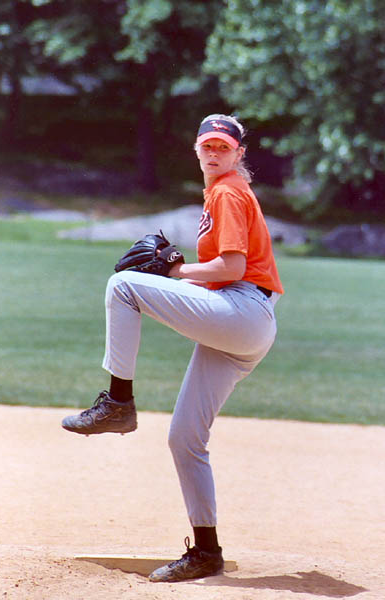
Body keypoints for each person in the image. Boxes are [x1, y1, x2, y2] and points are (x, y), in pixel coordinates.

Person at [61, 114, 284, 582]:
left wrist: (174, 271)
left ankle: (118, 401)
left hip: (241, 310)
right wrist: (178, 271)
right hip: (245, 324)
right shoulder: (222, 192)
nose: (215, 152)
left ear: (239, 154)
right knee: (185, 438)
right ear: (197, 148)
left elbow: (231, 265)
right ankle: (207, 552)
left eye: (224, 146)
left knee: (123, 285)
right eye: (208, 144)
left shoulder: (226, 190)